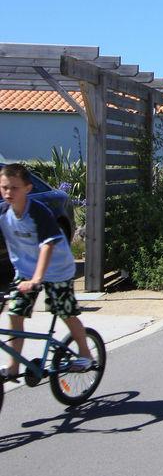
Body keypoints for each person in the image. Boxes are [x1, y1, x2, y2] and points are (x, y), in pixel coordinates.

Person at [0, 163, 94, 381]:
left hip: (56, 269)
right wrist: (29, 277)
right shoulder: (4, 213)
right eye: (4, 187)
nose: (8, 193)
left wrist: (37, 279)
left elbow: (47, 245)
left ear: (28, 188)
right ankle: (14, 367)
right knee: (15, 313)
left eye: (14, 188)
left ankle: (86, 353)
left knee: (65, 311)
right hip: (26, 271)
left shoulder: (37, 211)